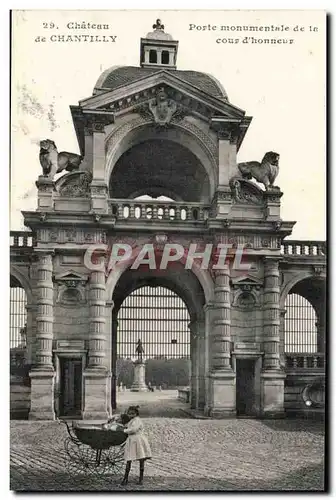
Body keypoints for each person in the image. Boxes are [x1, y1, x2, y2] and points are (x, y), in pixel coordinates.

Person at [121, 405, 152, 485]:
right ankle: (125, 478)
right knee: (129, 459)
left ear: (136, 414)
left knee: (141, 458)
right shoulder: (131, 420)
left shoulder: (137, 420)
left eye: (132, 414)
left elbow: (133, 429)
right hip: (131, 440)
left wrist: (124, 430)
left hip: (138, 441)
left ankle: (141, 479)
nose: (130, 415)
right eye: (129, 414)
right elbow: (127, 426)